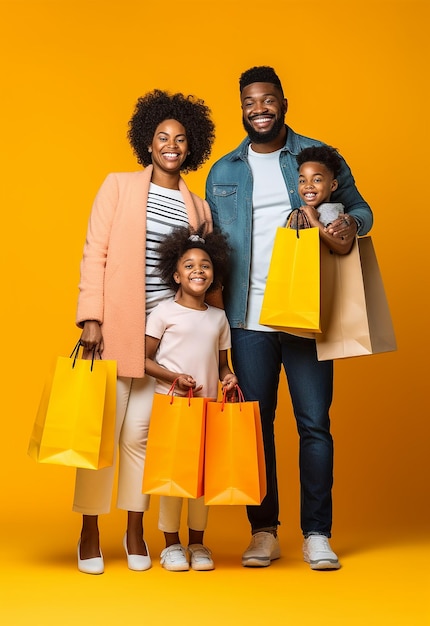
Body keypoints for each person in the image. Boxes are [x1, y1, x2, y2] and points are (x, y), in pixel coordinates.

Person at [205, 66, 373, 570]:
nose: (260, 109)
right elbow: (214, 246)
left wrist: (339, 220)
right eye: (250, 102)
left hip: (307, 314)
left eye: (268, 99)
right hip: (248, 318)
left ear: (283, 102)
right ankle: (264, 531)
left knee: (314, 424)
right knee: (256, 426)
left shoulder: (318, 155)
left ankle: (317, 534)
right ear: (243, 107)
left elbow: (364, 212)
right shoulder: (223, 171)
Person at [73, 89, 215, 574]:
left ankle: (135, 529)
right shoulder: (118, 186)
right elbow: (96, 252)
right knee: (101, 435)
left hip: (166, 341)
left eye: (180, 139)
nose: (171, 145)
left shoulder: (197, 207)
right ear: (147, 142)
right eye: (162, 137)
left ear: (191, 146)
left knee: (141, 438)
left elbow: (204, 273)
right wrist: (92, 317)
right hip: (118, 330)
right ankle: (89, 530)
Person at [145, 224, 238, 572]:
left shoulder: (218, 318)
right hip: (172, 407)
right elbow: (143, 360)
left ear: (214, 274)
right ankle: (171, 545)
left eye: (205, 265)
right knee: (174, 476)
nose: (198, 269)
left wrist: (228, 380)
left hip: (210, 407)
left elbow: (223, 365)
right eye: (189, 265)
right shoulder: (164, 313)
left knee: (204, 479)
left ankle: (198, 543)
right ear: (176, 274)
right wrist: (174, 378)